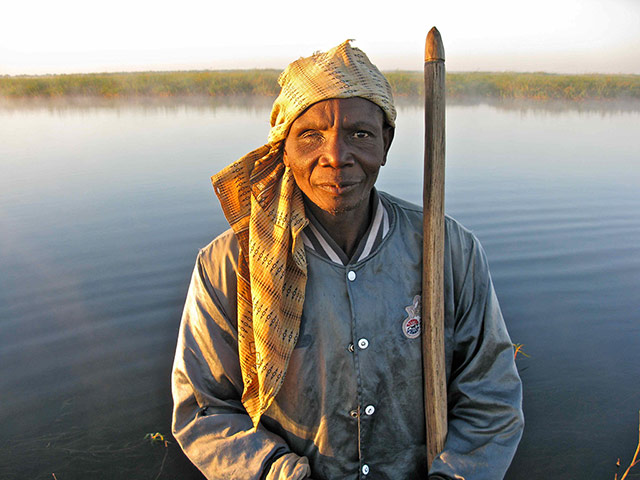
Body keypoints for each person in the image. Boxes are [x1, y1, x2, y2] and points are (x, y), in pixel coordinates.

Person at [171, 40, 524, 480]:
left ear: (386, 142)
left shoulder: (447, 248)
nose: (337, 157)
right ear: (284, 147)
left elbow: (491, 395)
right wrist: (277, 473)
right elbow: (204, 408)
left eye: (360, 134)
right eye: (311, 135)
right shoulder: (230, 264)